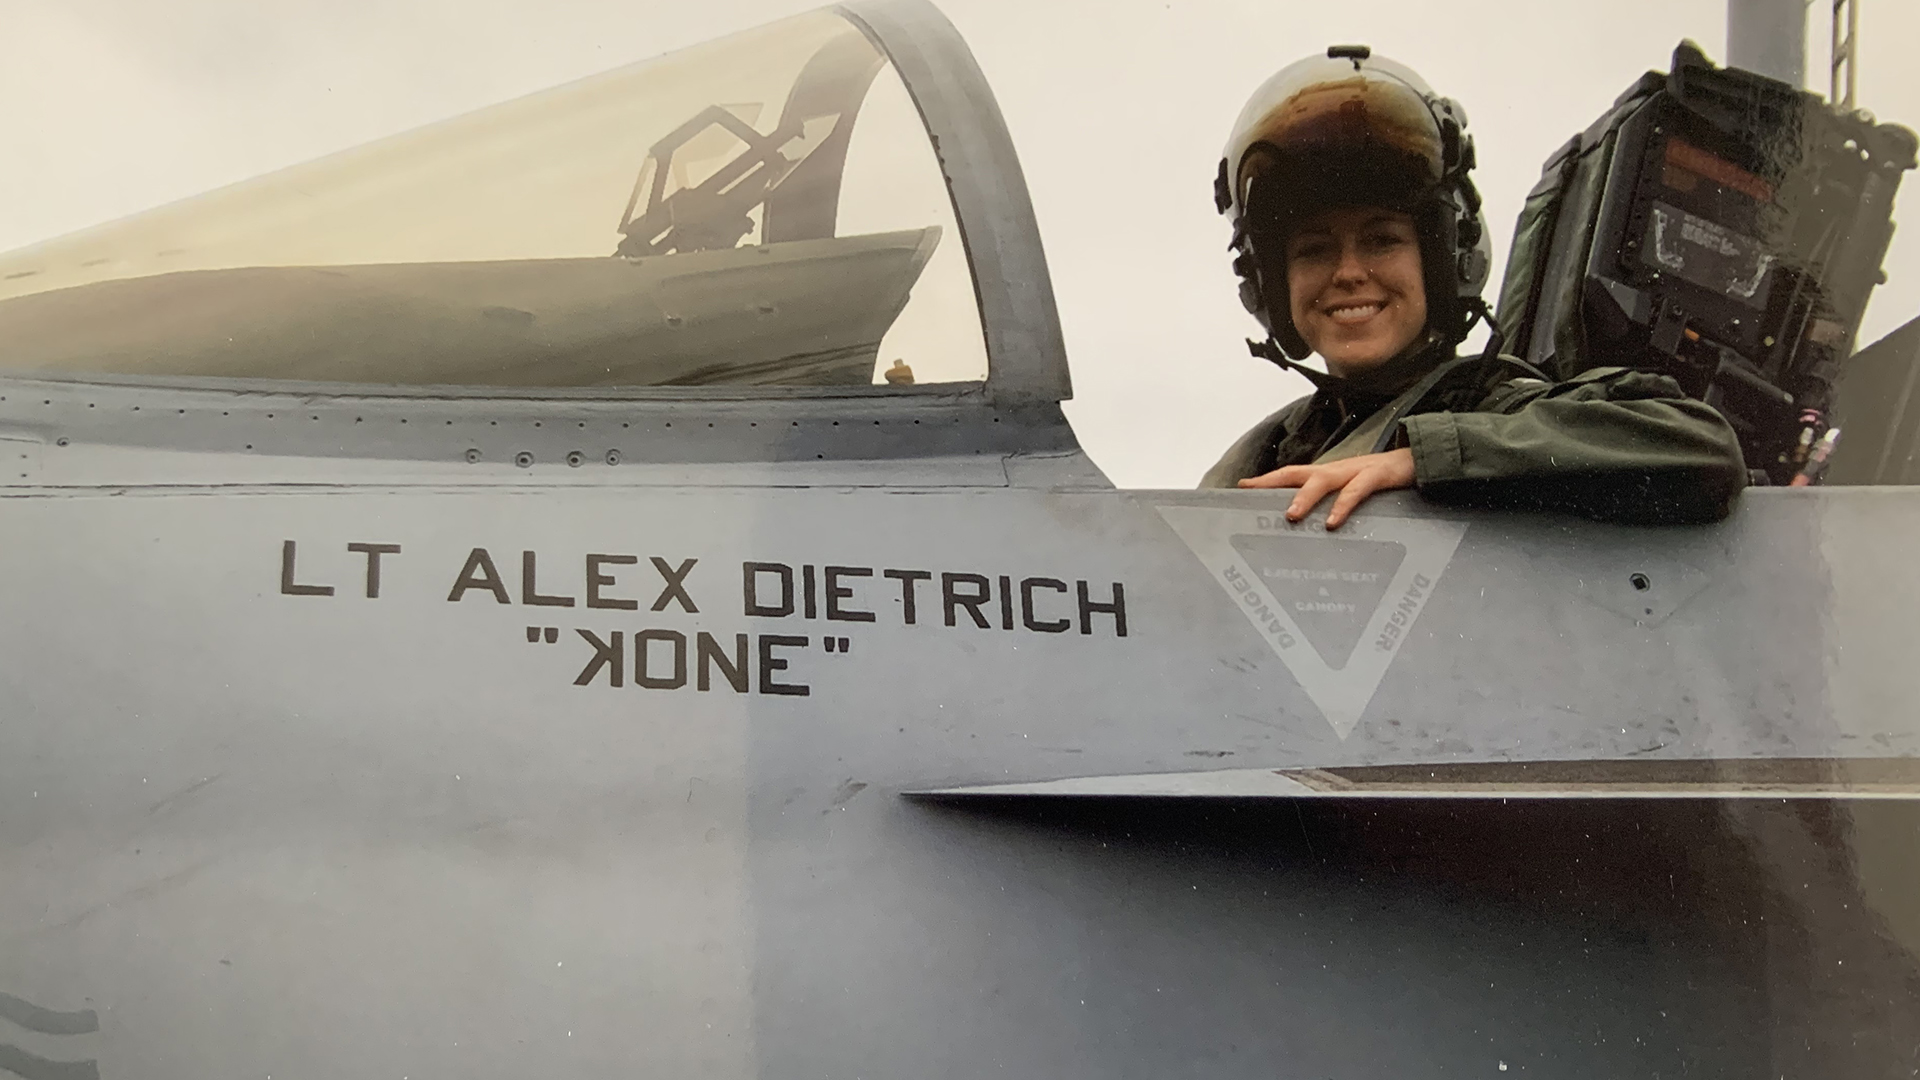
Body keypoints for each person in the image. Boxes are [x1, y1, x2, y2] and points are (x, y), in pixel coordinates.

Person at [1200, 45, 1748, 529]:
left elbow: (1703, 446)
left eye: (1382, 240)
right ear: (1271, 286)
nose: (1348, 272)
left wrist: (1420, 459)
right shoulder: (1269, 453)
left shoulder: (1499, 409)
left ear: (1444, 263)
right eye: (1315, 250)